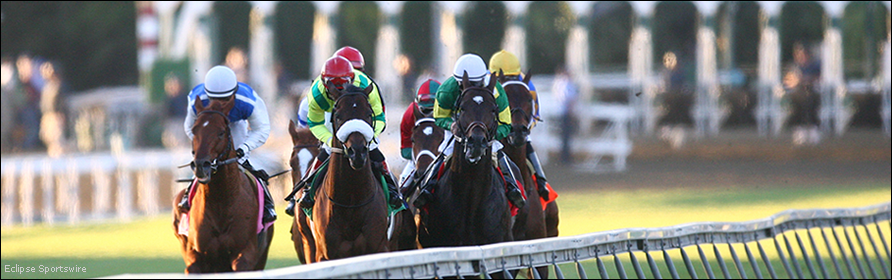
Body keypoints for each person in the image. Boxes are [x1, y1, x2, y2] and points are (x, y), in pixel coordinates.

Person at [285, 56, 402, 216]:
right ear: (325, 84)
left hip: (359, 117)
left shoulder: (366, 85)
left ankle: (392, 189)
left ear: (352, 80)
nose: (338, 92)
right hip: (332, 117)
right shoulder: (316, 94)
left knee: (374, 149)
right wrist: (330, 140)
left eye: (343, 87)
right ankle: (308, 188)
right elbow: (315, 123)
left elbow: (379, 117)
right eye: (335, 89)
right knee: (326, 151)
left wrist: (369, 136)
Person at [415, 53, 525, 208]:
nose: (470, 87)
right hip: (457, 127)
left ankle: (513, 188)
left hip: (486, 131)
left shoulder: (496, 91)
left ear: (483, 80)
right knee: (445, 152)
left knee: (497, 152)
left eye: (476, 84)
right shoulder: (446, 90)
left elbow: (506, 124)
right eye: (464, 84)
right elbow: (439, 117)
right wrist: (451, 125)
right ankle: (427, 188)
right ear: (458, 81)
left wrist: (489, 135)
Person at [178, 65, 277, 224]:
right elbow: (190, 128)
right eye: (214, 99)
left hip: (236, 125)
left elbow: (262, 129)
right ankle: (188, 196)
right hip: (209, 127)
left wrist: (243, 148)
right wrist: (205, 147)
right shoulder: (197, 99)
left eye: (225, 100)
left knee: (241, 162)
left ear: (234, 93)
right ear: (207, 95)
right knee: (202, 165)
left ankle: (267, 203)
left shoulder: (248, 101)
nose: (220, 104)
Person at [488, 50, 551, 199]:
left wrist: (524, 128)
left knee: (526, 141)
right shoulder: (485, 82)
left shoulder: (529, 87)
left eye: (513, 76)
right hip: (491, 131)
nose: (510, 79)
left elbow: (535, 115)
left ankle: (541, 180)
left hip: (516, 127)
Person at [397, 79, 440, 188]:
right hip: (419, 156)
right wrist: (421, 155)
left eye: (433, 110)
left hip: (443, 152)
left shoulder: (450, 109)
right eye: (425, 110)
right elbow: (406, 149)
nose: (429, 114)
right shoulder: (409, 114)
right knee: (402, 184)